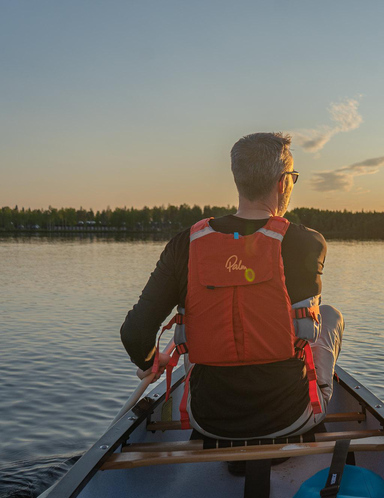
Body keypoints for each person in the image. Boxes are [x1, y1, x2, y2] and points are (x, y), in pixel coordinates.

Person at [120, 132, 343, 439]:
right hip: (290, 419)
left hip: (207, 421)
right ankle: (318, 395)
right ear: (282, 183)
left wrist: (151, 360)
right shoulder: (308, 243)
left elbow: (135, 333)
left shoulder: (185, 244)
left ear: (239, 180)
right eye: (293, 178)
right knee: (329, 315)